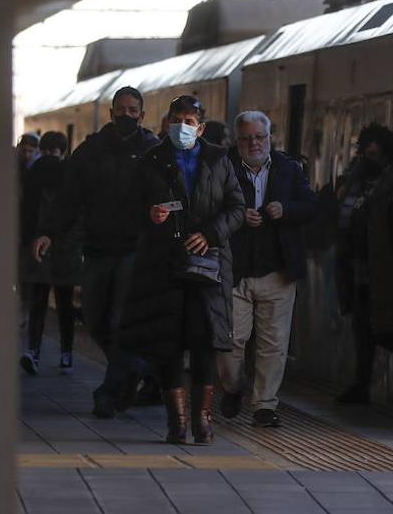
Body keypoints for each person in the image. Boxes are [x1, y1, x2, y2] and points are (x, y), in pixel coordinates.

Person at [116, 95, 244, 444]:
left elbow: (236, 208)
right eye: (176, 120)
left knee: (204, 342)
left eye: (189, 122)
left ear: (201, 128)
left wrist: (210, 234)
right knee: (168, 342)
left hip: (208, 266)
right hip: (163, 265)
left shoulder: (219, 160)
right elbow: (129, 209)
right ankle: (177, 422)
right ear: (165, 122)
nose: (182, 128)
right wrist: (149, 214)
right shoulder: (151, 161)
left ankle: (203, 421)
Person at [34, 86, 160, 418]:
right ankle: (140, 367)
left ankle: (110, 391)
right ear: (111, 112)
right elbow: (68, 196)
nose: (126, 115)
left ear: (142, 115)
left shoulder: (153, 151)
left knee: (121, 320)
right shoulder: (91, 151)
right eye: (121, 109)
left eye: (133, 110)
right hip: (98, 248)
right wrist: (48, 232)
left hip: (136, 250)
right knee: (94, 318)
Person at [216, 111, 316, 427]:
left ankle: (264, 406)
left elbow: (312, 207)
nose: (253, 143)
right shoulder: (222, 168)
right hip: (234, 270)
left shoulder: (289, 169)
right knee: (231, 341)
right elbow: (205, 209)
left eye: (259, 137)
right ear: (237, 140)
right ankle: (232, 386)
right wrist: (238, 216)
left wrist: (285, 210)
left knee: (274, 343)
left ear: (270, 138)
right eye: (246, 138)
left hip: (278, 270)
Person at [334, 123, 393, 403]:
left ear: (386, 155)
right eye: (364, 153)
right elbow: (340, 209)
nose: (366, 159)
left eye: (372, 154)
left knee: (378, 326)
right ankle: (363, 384)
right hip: (357, 268)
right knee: (363, 326)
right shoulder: (359, 185)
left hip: (383, 269)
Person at [20, 131, 82, 375]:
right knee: (65, 305)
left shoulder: (31, 176)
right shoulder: (71, 177)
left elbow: (24, 214)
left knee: (38, 303)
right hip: (64, 250)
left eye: (50, 152)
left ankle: (33, 351)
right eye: (47, 152)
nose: (48, 157)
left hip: (38, 249)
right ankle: (66, 353)